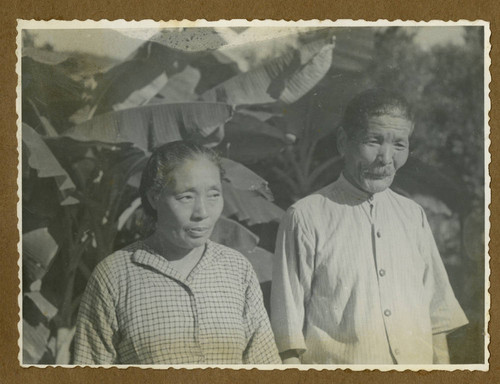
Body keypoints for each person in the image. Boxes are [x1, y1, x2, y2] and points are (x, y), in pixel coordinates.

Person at [270, 88, 468, 364]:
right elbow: (288, 338)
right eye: (374, 141)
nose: (386, 158)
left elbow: (437, 318)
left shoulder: (414, 216)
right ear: (343, 142)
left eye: (400, 144)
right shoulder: (304, 217)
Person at [74, 141, 280, 365]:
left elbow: (264, 366)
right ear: (154, 197)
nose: (202, 212)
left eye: (213, 195)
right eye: (186, 197)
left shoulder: (237, 269)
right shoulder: (115, 275)